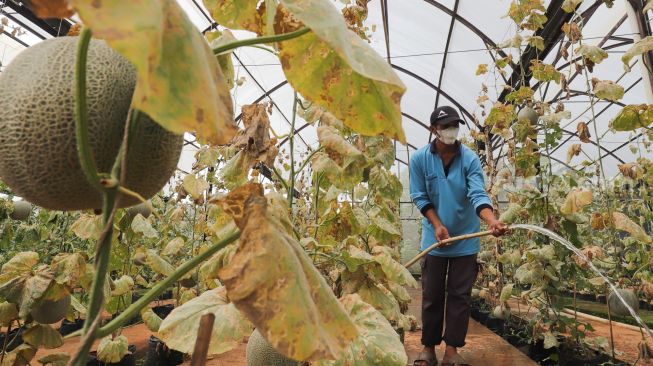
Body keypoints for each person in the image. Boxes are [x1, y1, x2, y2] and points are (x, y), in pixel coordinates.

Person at [409, 106, 508, 366]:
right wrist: (438, 225)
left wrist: (491, 220)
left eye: (455, 125)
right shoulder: (419, 159)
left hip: (465, 240)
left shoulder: (470, 159)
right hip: (434, 240)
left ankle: (452, 351)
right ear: (434, 130)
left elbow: (477, 194)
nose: (452, 130)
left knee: (460, 296)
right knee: (432, 295)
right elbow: (420, 197)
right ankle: (428, 348)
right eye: (446, 126)